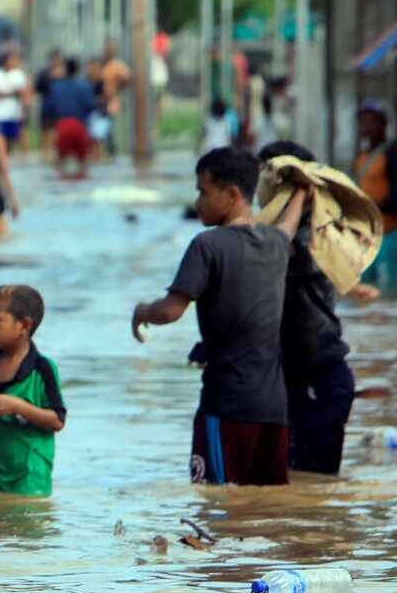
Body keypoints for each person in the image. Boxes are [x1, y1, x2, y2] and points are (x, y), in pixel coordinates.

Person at [131, 147, 308, 486]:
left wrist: (141, 312)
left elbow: (170, 311)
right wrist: (302, 191)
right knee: (265, 514)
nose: (197, 201)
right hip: (274, 411)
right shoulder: (274, 243)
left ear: (231, 195)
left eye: (203, 191)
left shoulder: (207, 246)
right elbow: (287, 226)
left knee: (215, 509)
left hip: (227, 406)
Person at [258, 141, 356, 476]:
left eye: (265, 179)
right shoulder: (283, 236)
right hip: (291, 379)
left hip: (317, 378)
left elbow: (270, 263)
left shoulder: (307, 238)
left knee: (311, 487)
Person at [0, 285, 65, 496]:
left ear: (24, 325)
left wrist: (18, 406)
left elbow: (58, 420)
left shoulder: (43, 368)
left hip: (32, 476)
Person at [353, 100, 397, 289]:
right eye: (363, 121)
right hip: (366, 236)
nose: (366, 126)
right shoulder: (362, 157)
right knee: (364, 287)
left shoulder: (392, 153)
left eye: (372, 121)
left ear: (383, 124)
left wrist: (372, 207)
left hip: (389, 232)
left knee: (387, 288)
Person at [45, 58, 97, 178]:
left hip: (62, 126)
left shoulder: (55, 87)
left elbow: (49, 108)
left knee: (59, 167)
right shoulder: (84, 86)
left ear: (65, 70)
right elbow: (90, 106)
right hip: (79, 127)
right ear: (77, 70)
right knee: (84, 166)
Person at [0, 51, 29, 147]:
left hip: (14, 113)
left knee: (13, 139)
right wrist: (12, 92)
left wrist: (25, 108)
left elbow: (24, 92)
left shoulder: (19, 74)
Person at [34, 49, 65, 157]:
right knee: (46, 131)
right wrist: (50, 78)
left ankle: (57, 154)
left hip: (60, 106)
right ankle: (45, 153)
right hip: (47, 106)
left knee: (58, 132)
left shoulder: (64, 73)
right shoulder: (44, 73)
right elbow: (38, 88)